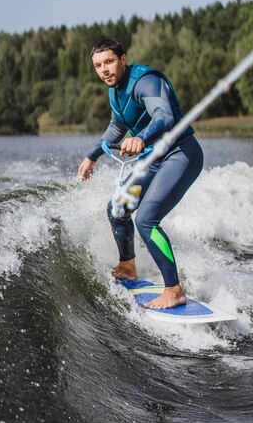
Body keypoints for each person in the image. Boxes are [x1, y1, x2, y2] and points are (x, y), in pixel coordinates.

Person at [78, 38, 203, 309]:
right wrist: (92, 155)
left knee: (146, 219)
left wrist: (142, 138)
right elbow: (116, 128)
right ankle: (127, 266)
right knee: (118, 207)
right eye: (98, 66)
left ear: (123, 59)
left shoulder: (146, 80)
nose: (104, 70)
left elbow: (164, 116)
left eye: (109, 62)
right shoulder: (115, 91)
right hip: (154, 160)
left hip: (180, 154)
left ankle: (174, 289)